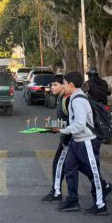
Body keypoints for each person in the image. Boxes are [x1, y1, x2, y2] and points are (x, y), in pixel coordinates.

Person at [53, 72, 109, 215]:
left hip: (87, 141)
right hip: (77, 141)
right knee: (69, 168)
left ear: (71, 85)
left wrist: (63, 130)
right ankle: (72, 200)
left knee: (93, 173)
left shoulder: (78, 99)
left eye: (64, 84)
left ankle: (100, 205)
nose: (63, 86)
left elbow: (79, 124)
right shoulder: (74, 97)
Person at [41, 75, 70, 203]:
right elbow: (63, 121)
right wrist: (51, 127)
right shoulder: (61, 98)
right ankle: (104, 186)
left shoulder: (68, 100)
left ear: (64, 85)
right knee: (84, 167)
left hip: (69, 138)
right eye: (51, 85)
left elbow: (72, 122)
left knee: (58, 163)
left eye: (55, 85)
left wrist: (58, 128)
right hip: (69, 136)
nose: (52, 87)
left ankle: (56, 193)